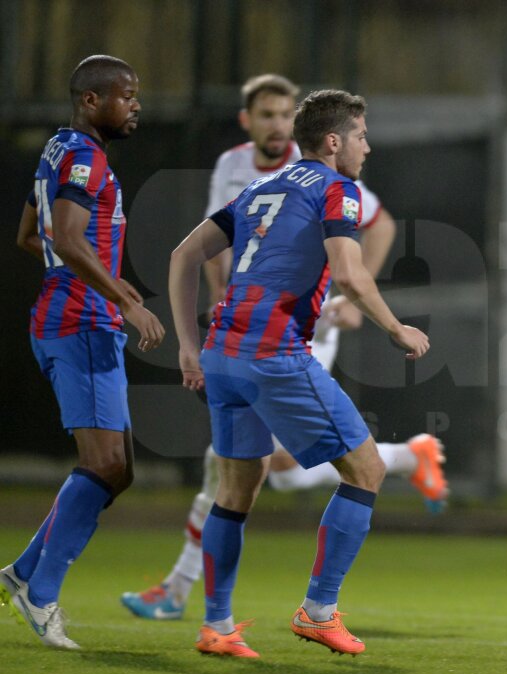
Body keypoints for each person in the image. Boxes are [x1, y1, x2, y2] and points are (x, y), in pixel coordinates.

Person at [120, 74, 445, 622]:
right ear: (335, 142)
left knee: (235, 490)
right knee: (363, 471)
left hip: (222, 355)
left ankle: (215, 623)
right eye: (362, 135)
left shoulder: (257, 188)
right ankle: (319, 611)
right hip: (276, 355)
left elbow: (182, 256)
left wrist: (187, 347)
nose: (369, 146)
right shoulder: (335, 189)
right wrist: (396, 327)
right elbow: (350, 273)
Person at [0, 55, 165, 650]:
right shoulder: (84, 156)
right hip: (80, 322)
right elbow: (66, 240)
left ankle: (22, 573)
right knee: (104, 465)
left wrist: (98, 285)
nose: (136, 105)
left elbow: (30, 236)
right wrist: (121, 298)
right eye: (127, 94)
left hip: (72, 314)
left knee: (118, 470)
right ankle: (41, 595)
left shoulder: (57, 149)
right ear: (92, 100)